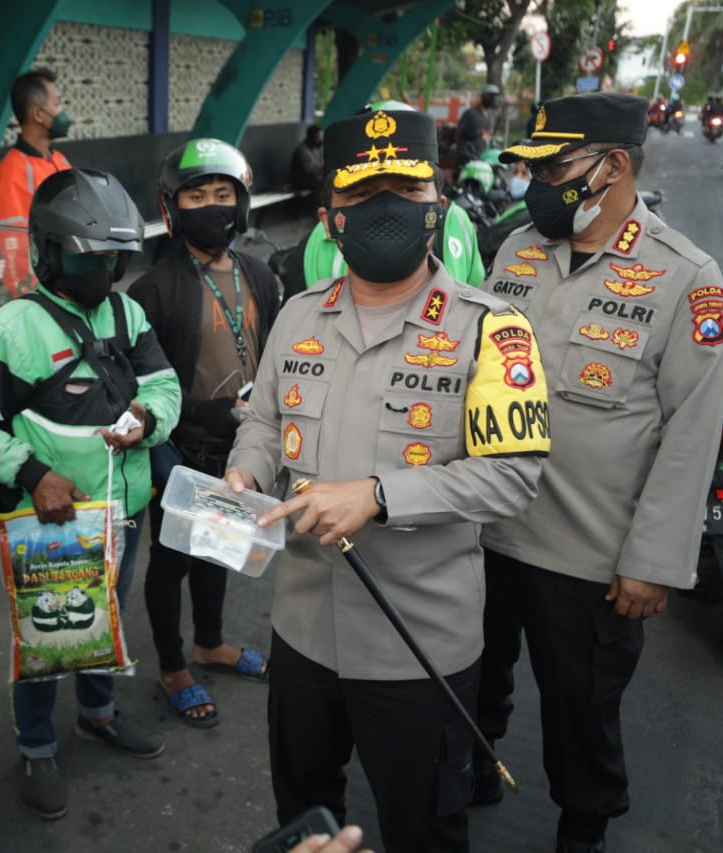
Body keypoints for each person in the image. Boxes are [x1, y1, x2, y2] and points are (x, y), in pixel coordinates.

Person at [224, 107, 550, 853]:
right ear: (329, 216)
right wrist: (246, 467)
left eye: (404, 190)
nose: (383, 211)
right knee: (303, 815)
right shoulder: (298, 315)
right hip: (302, 632)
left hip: (420, 645)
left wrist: (377, 495)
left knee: (423, 827)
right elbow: (266, 421)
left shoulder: (493, 330)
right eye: (362, 195)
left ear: (437, 204)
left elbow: (513, 478)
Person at [478, 92, 723, 853]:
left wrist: (651, 561)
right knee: (475, 683)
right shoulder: (516, 249)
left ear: (613, 164)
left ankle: (581, 827)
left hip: (587, 558)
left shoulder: (685, 276)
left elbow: (692, 433)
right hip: (486, 531)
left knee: (580, 713)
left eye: (554, 167)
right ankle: (475, 767)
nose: (538, 184)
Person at [0, 168, 181, 820]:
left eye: (113, 258)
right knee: (50, 636)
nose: (101, 271)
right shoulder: (14, 328)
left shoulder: (126, 313)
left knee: (106, 620)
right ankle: (36, 743)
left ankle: (97, 713)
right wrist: (30, 473)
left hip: (121, 512)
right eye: (86, 256)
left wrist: (147, 421)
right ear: (48, 250)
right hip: (49, 521)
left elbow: (164, 385)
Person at [126, 139, 278, 727]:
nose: (212, 205)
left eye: (223, 195)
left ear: (242, 203)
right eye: (197, 195)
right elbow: (140, 390)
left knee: (221, 549)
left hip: (240, 451)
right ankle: (171, 665)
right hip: (178, 453)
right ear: (173, 207)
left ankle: (209, 643)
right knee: (172, 561)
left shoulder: (259, 275)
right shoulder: (154, 289)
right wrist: (198, 421)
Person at [282, 102, 486, 299]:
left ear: (439, 206)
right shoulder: (301, 310)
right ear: (327, 220)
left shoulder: (457, 223)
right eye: (362, 193)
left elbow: (475, 293)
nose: (387, 206)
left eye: (408, 188)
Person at [0, 67, 74, 298]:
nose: (62, 112)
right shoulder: (10, 175)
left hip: (70, 286)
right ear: (38, 114)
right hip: (39, 296)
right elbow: (15, 250)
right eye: (57, 104)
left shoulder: (60, 161)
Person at [456, 83, 500, 165]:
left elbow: (490, 133)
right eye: (490, 96)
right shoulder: (470, 113)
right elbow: (459, 133)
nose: (493, 99)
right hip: (468, 155)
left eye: (495, 96)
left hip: (483, 155)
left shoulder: (493, 115)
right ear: (484, 96)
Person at [290, 124, 325, 191]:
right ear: (310, 138)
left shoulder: (318, 147)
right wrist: (325, 168)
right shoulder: (302, 150)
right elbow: (310, 171)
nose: (321, 140)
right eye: (318, 138)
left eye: (321, 137)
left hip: (314, 177)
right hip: (300, 179)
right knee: (318, 183)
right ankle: (319, 201)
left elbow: (322, 161)